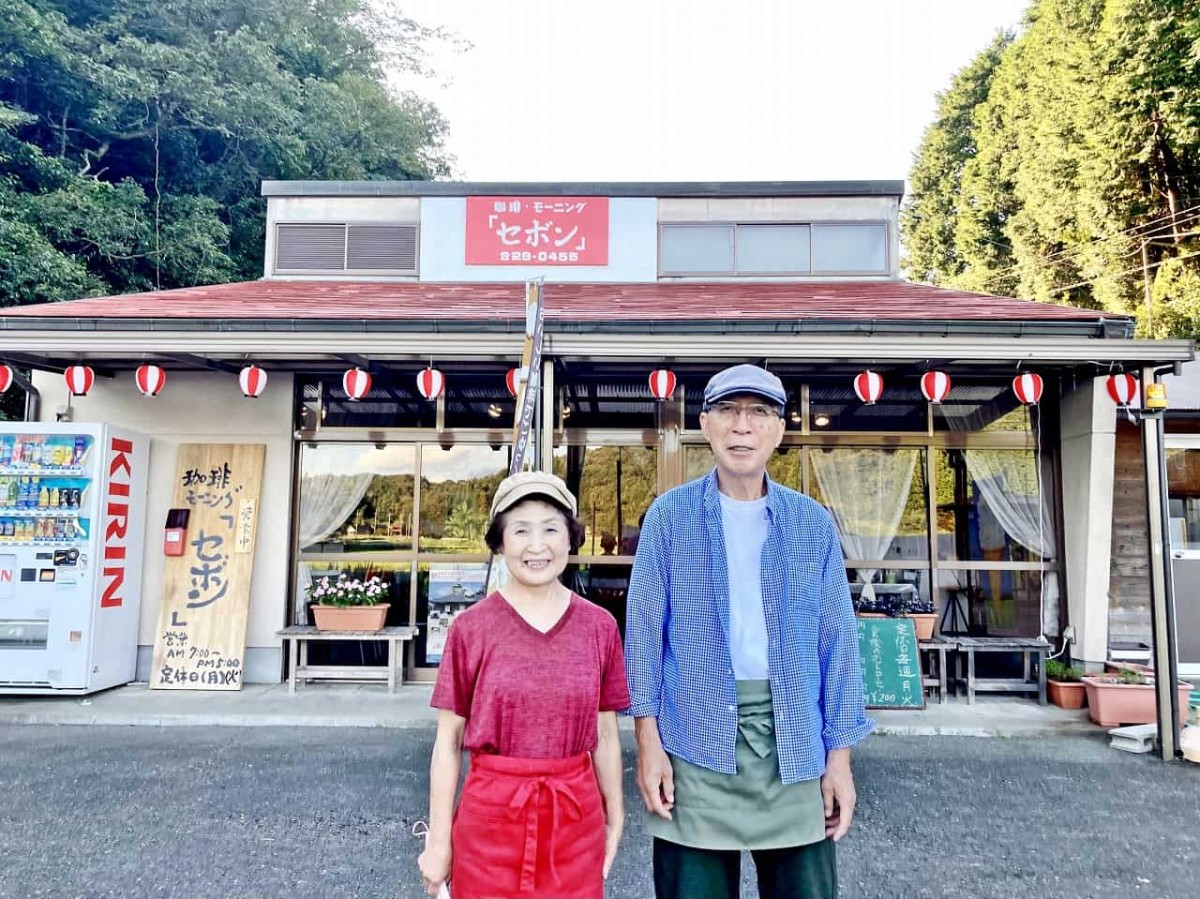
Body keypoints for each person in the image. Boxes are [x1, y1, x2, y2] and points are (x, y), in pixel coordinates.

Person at [625, 364, 874, 899]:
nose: (743, 427)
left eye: (758, 413)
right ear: (706, 425)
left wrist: (840, 759)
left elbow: (838, 644)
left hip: (797, 737)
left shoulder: (811, 523)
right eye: (729, 412)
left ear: (778, 432)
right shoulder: (668, 517)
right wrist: (647, 741)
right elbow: (643, 635)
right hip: (692, 734)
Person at [417, 471, 630, 899]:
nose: (537, 546)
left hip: (575, 817)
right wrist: (439, 840)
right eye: (520, 530)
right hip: (489, 820)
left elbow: (605, 732)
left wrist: (615, 814)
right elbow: (448, 741)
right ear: (499, 543)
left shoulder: (599, 627)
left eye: (551, 528)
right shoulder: (470, 629)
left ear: (571, 539)